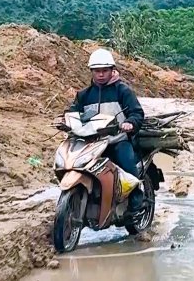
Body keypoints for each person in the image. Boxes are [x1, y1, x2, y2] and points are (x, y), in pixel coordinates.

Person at [61, 48, 146, 211]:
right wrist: (65, 120)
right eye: (97, 71)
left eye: (104, 71)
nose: (100, 75)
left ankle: (137, 196)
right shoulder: (84, 95)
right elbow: (73, 112)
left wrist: (130, 123)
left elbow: (137, 112)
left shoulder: (123, 91)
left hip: (117, 141)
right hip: (91, 142)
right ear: (91, 72)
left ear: (112, 70)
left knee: (127, 163)